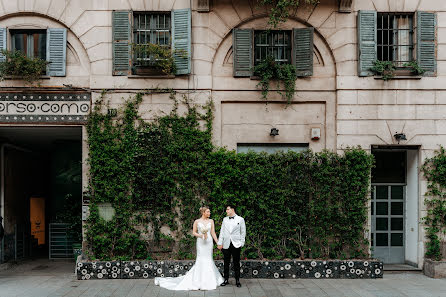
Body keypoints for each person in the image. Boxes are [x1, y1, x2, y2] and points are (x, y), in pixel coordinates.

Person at [154, 206, 224, 290]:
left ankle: (209, 280)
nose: (209, 213)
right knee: (201, 259)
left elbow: (213, 232)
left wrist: (218, 242)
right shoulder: (197, 221)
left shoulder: (211, 221)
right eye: (208, 212)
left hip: (209, 242)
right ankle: (198, 281)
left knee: (208, 258)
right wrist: (201, 235)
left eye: (209, 212)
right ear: (203, 213)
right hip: (201, 242)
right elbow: (194, 232)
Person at [217, 205, 246, 288]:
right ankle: (226, 279)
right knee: (226, 262)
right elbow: (222, 231)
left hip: (236, 244)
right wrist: (220, 243)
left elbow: (243, 232)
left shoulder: (240, 219)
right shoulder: (225, 219)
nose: (226, 211)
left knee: (236, 262)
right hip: (226, 244)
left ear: (232, 210)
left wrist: (241, 243)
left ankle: (237, 280)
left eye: (227, 209)